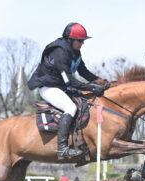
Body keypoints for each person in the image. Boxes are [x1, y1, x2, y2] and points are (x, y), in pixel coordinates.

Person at [28, 22, 107, 160]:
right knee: (70, 108)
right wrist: (92, 87)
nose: (82, 43)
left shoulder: (75, 51)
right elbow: (70, 81)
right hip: (48, 87)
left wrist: (98, 80)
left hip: (60, 87)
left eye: (83, 41)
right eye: (80, 40)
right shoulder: (59, 52)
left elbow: (83, 71)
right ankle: (62, 148)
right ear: (70, 39)